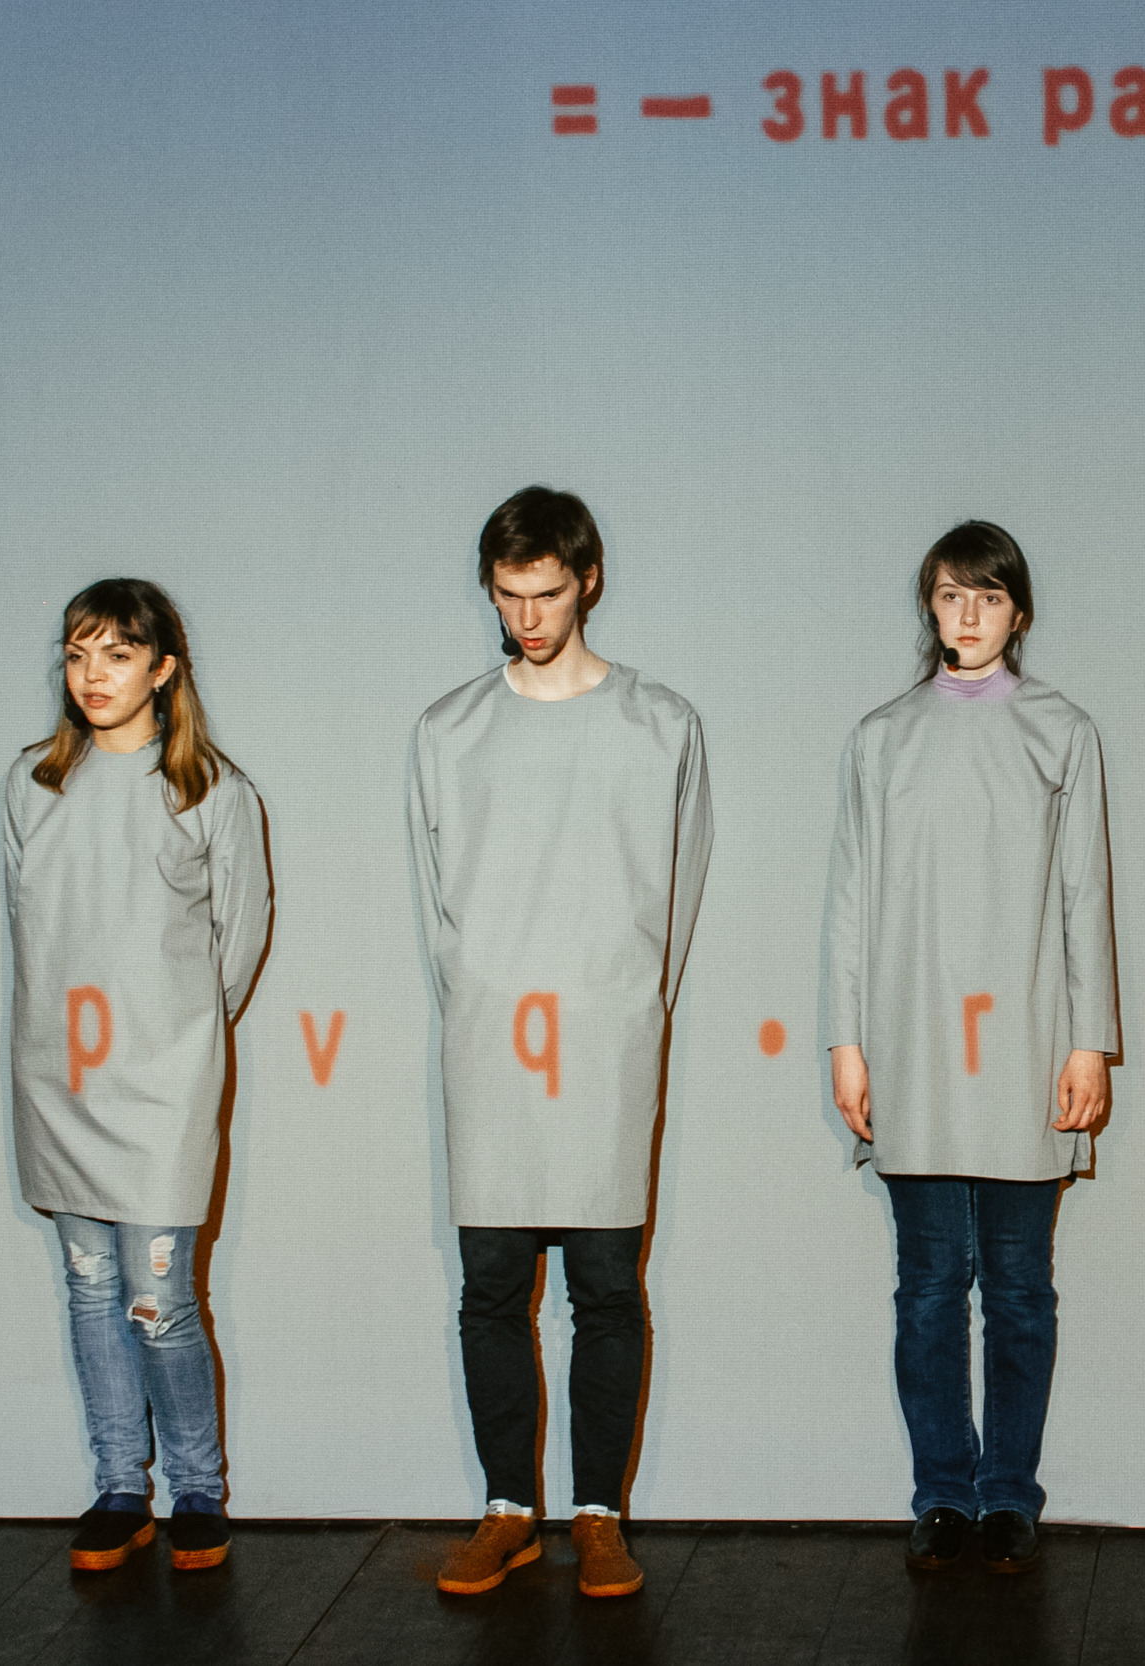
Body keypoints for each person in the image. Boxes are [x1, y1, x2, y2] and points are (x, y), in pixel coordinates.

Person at [409, 486, 712, 1598]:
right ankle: (506, 1509)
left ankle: (598, 1514)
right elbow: (436, 900)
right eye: (507, 594)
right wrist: (481, 997)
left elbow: (678, 890)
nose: (527, 617)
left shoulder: (659, 722)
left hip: (603, 1035)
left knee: (605, 1286)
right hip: (492, 1039)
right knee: (491, 1287)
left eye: (545, 593)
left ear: (587, 580)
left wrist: (626, 1006)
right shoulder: (449, 728)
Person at [824, 521, 1117, 1575]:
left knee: (1021, 1289)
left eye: (989, 598)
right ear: (930, 606)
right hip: (912, 1041)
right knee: (930, 1288)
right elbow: (850, 898)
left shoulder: (1061, 731)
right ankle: (943, 1492)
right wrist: (846, 1040)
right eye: (952, 596)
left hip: (1030, 1043)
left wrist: (1089, 1043)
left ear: (1018, 612)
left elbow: (1085, 894)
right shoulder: (882, 737)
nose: (970, 615)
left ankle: (1008, 1495)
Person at [5, 578, 271, 1575]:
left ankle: (197, 1490)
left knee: (160, 1300)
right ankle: (121, 1487)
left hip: (162, 1086)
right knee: (88, 1291)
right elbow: (32, 933)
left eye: (116, 655)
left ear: (162, 669)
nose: (93, 676)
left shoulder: (209, 792)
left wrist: (174, 1038)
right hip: (58, 1082)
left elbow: (238, 942)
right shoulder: (32, 784)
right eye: (78, 655)